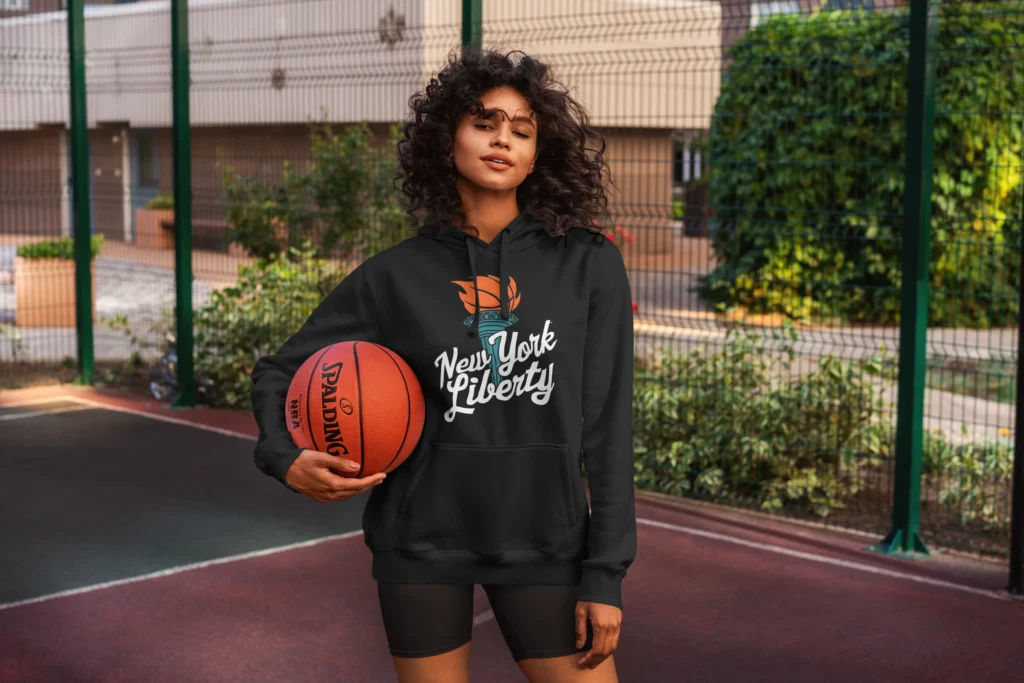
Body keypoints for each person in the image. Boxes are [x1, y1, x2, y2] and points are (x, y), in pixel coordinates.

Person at [249, 46, 637, 683]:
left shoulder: (588, 263)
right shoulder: (392, 278)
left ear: (540, 153)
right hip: (420, 543)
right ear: (446, 137)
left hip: (547, 542)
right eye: (484, 123)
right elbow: (278, 371)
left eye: (521, 130)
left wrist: (606, 571)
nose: (502, 140)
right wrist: (282, 456)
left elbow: (609, 426)